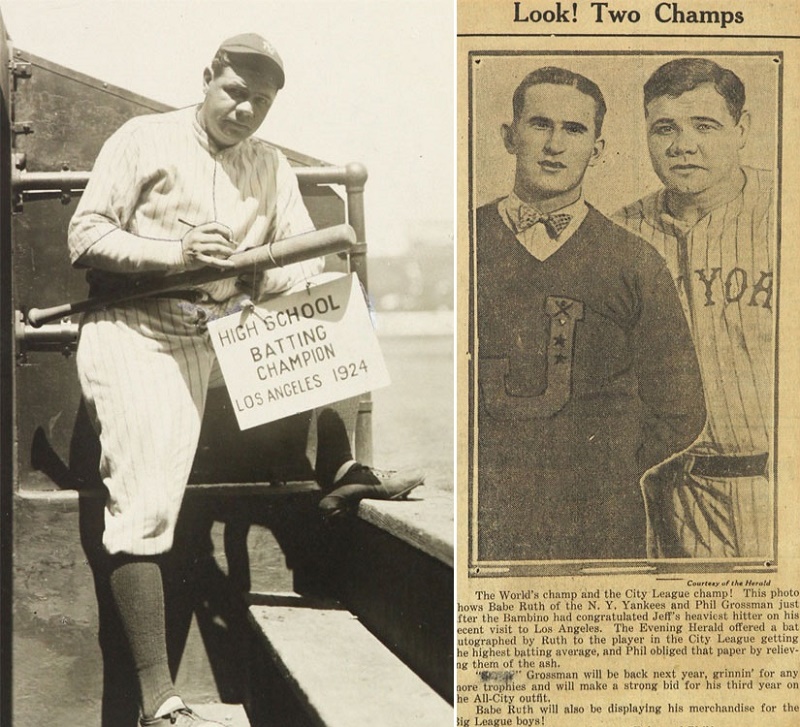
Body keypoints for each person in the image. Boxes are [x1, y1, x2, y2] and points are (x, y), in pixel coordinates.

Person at [68, 33, 422, 727]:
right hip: (140, 329)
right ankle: (157, 701)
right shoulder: (144, 137)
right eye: (235, 91)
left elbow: (293, 269)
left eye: (261, 100)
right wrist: (175, 252)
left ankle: (340, 460)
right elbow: (84, 234)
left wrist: (291, 278)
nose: (246, 108)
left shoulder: (270, 164)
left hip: (222, 332)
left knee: (329, 302)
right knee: (145, 505)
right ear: (207, 78)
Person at [475, 66, 705, 561]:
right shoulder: (469, 242)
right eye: (540, 125)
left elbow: (681, 409)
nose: (554, 145)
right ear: (509, 136)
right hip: (487, 517)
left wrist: (607, 470)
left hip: (597, 523)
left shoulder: (634, 261)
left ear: (597, 150)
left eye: (574, 130)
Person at [614, 58, 774, 559]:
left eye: (704, 125)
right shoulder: (620, 233)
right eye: (665, 128)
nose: (683, 145)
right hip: (662, 495)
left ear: (742, 128)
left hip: (771, 486)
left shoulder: (785, 210)